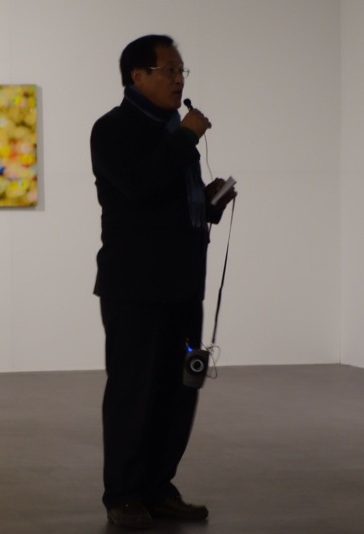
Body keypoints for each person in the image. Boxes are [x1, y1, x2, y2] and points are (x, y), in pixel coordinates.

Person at [89, 34, 236, 530]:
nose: (178, 80)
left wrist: (207, 203)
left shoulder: (173, 131)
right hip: (135, 288)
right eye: (168, 70)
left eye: (180, 71)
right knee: (135, 392)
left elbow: (164, 203)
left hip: (182, 284)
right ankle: (124, 494)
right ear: (138, 76)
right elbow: (138, 186)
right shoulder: (113, 129)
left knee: (180, 390)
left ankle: (158, 487)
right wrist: (186, 138)